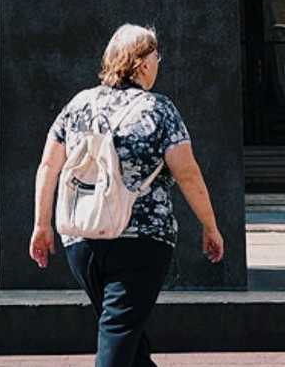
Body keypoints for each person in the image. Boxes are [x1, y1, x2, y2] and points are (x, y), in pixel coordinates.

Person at [32, 22, 224, 367]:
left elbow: (48, 166)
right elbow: (189, 174)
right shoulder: (159, 109)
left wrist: (41, 224)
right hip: (142, 240)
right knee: (119, 331)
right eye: (156, 57)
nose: (157, 64)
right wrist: (210, 226)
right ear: (143, 62)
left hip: (81, 236)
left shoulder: (78, 104)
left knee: (127, 335)